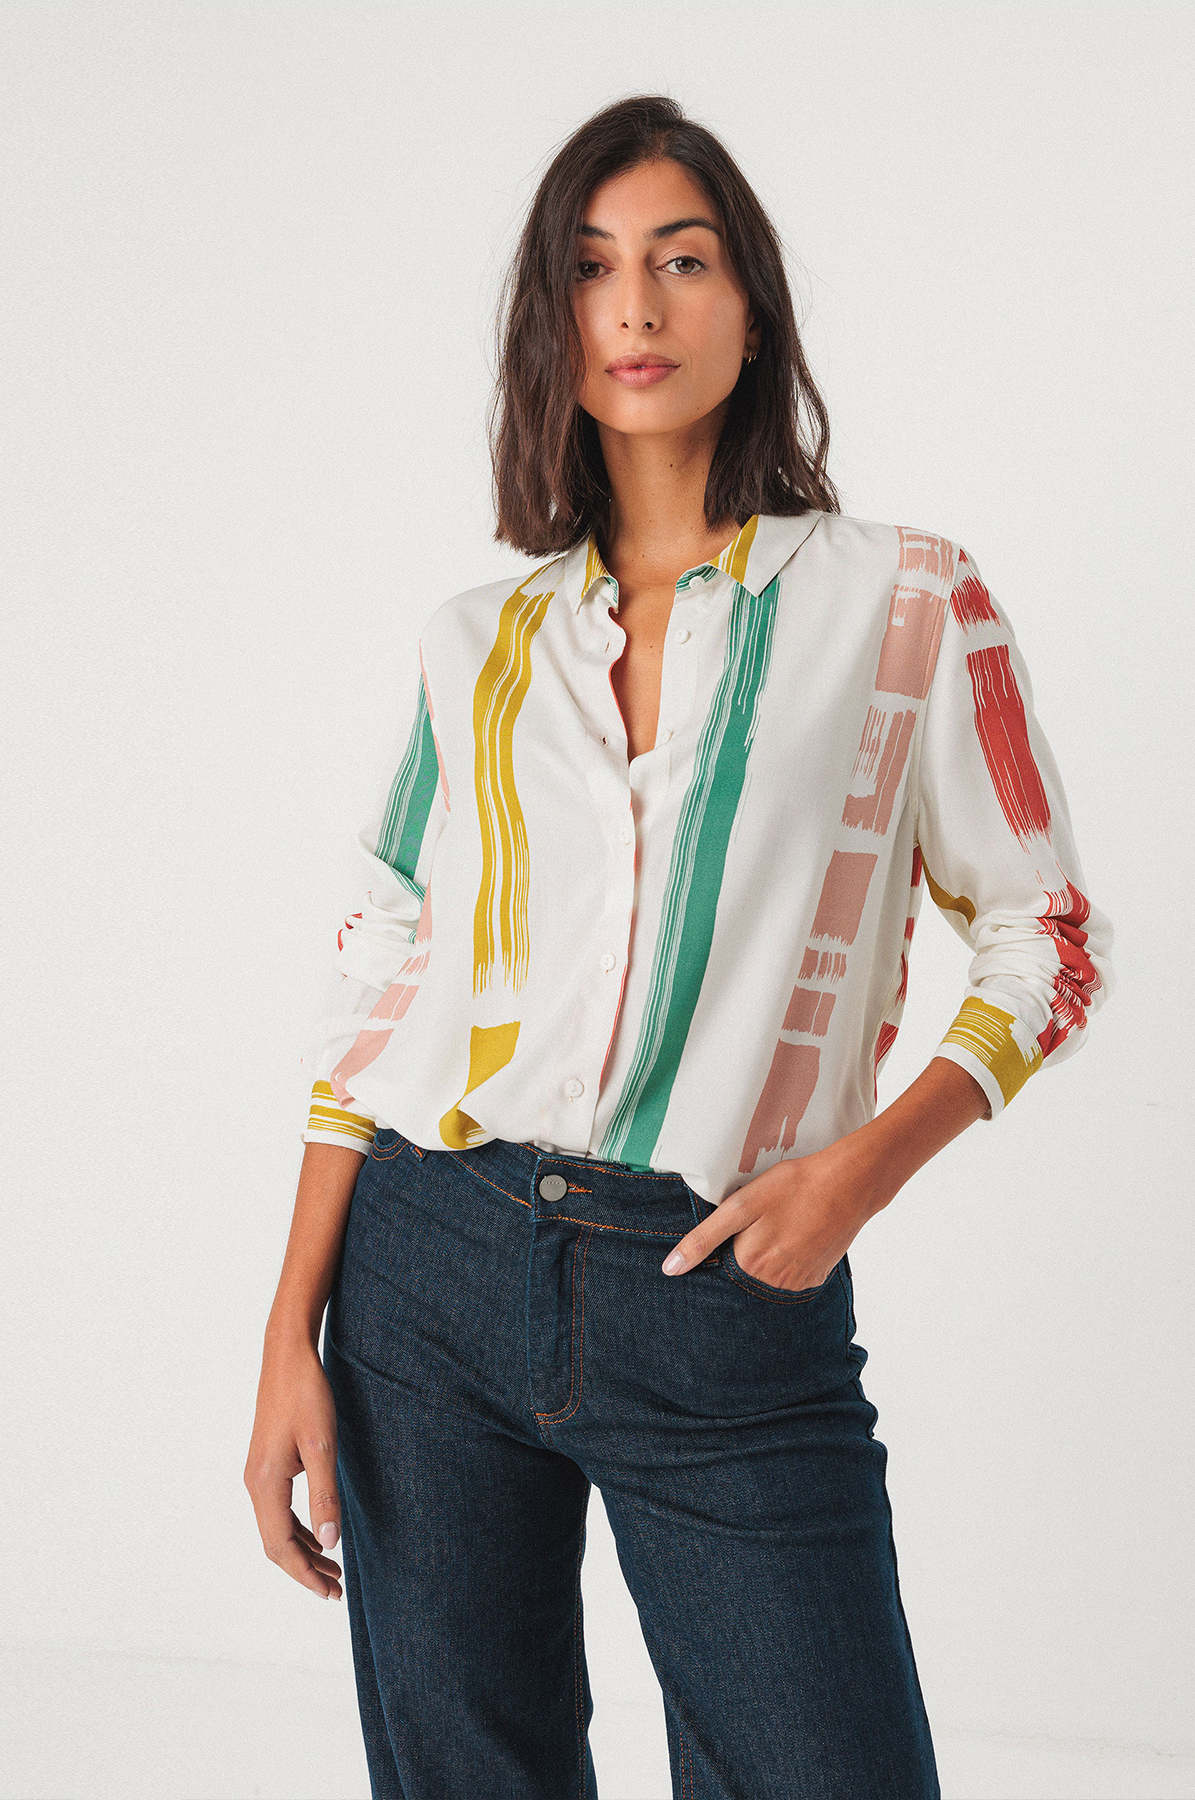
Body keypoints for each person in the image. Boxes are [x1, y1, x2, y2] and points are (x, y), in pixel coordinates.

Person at [244, 93, 1116, 1800]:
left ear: (752, 308)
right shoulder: (478, 639)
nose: (634, 307)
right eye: (589, 268)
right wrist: (290, 1329)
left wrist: (858, 1174)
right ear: (548, 322)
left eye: (681, 260)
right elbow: (382, 975)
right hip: (425, 1269)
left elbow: (1046, 937)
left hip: (720, 1280)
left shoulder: (904, 602)